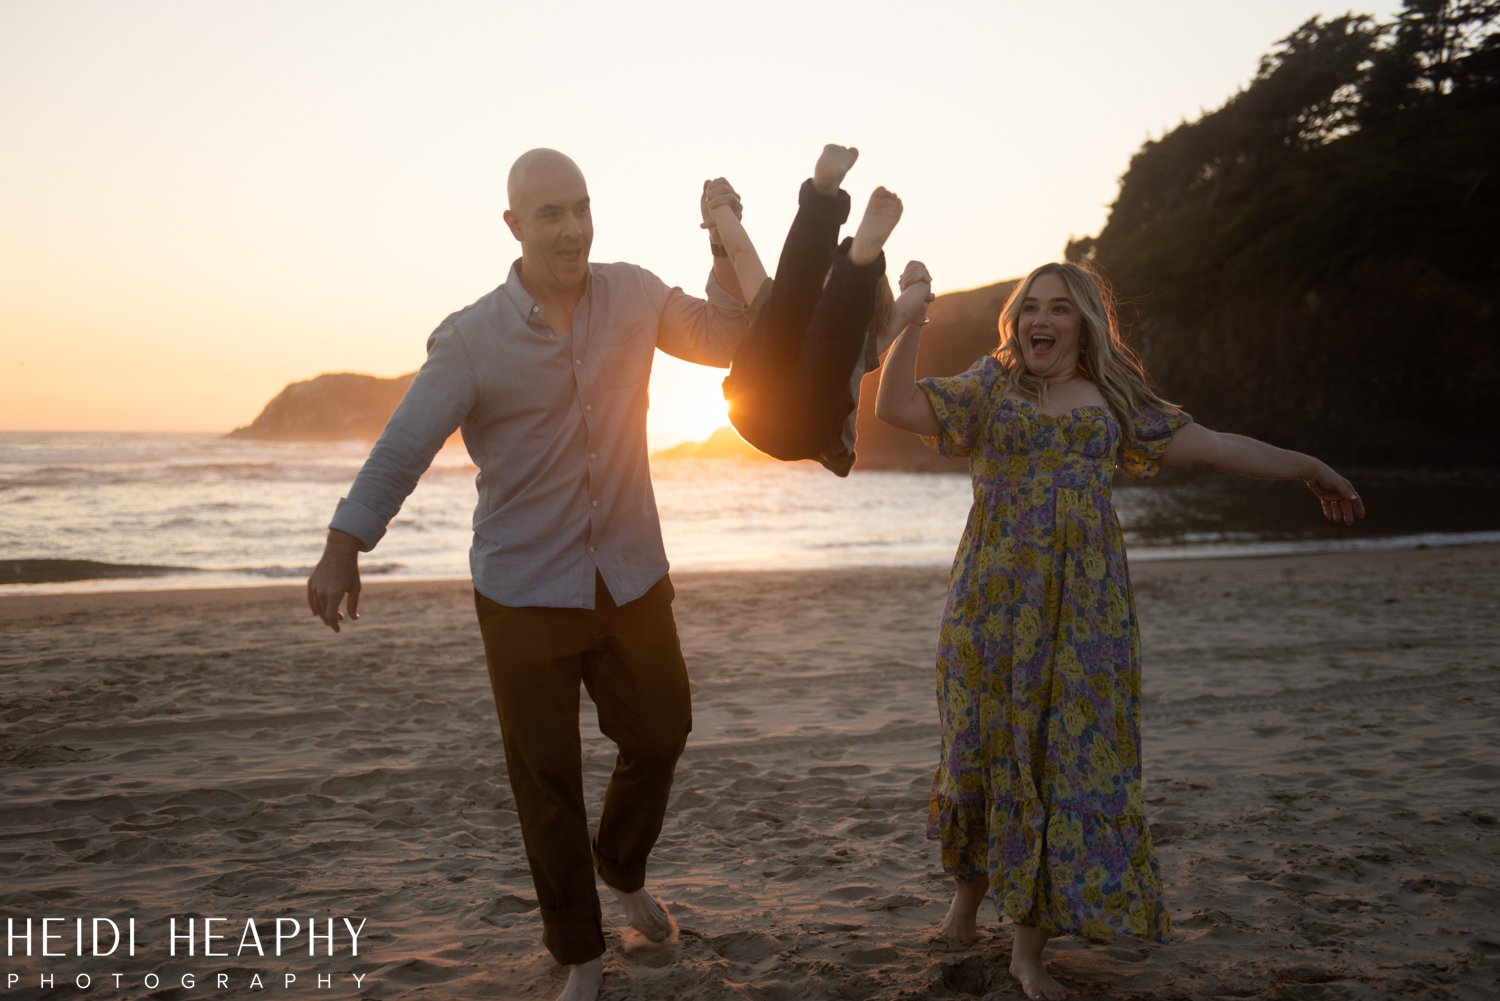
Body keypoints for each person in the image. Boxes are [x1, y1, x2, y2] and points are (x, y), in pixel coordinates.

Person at [305, 148, 753, 1001]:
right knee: (546, 781)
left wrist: (723, 236)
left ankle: (620, 864)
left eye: (582, 207)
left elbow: (726, 333)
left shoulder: (633, 294)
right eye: (551, 213)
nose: (574, 227)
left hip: (629, 575)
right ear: (513, 225)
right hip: (521, 592)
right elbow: (404, 445)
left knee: (662, 729)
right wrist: (344, 542)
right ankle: (581, 954)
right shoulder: (472, 337)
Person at [875, 261, 1365, 1001]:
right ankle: (965, 906)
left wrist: (1307, 467)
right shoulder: (989, 386)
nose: (1041, 319)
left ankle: (1027, 952)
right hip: (990, 607)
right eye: (1030, 308)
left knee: (1066, 759)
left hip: (1085, 615)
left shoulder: (1116, 400)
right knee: (980, 749)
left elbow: (1217, 443)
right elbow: (897, 406)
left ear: (1085, 324)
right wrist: (910, 315)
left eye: (1059, 309)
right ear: (1016, 322)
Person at [701, 144, 933, 476]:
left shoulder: (776, 300)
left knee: (789, 300)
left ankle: (821, 203)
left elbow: (740, 253)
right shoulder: (865, 340)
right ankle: (857, 269)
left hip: (748, 400)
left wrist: (719, 207)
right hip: (805, 430)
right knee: (832, 346)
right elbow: (907, 309)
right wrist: (919, 281)